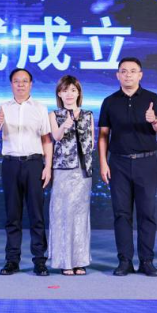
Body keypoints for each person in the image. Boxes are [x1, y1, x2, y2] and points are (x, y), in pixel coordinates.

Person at [98, 57, 157, 277]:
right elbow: (103, 135)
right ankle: (125, 261)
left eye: (132, 71)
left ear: (140, 74)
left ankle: (147, 261)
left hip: (146, 162)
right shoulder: (109, 102)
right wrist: (103, 162)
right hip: (118, 162)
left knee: (147, 213)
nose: (128, 75)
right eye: (123, 71)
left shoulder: (152, 98)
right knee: (121, 213)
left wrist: (154, 119)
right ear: (117, 75)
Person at [0, 68, 53, 276]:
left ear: (31, 84)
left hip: (34, 164)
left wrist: (48, 167)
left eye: (25, 81)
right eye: (17, 81)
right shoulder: (3, 107)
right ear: (11, 84)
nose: (21, 85)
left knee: (36, 215)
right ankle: (12, 260)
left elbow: (46, 139)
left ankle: (39, 261)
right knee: (12, 215)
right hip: (10, 164)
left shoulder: (40, 108)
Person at [48, 75, 94, 276]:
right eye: (65, 90)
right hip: (62, 169)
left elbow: (91, 143)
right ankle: (64, 260)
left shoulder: (88, 115)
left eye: (73, 90)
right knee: (62, 214)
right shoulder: (54, 115)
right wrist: (65, 125)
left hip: (83, 171)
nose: (69, 94)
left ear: (78, 93)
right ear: (59, 93)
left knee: (80, 215)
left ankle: (80, 260)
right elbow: (56, 137)